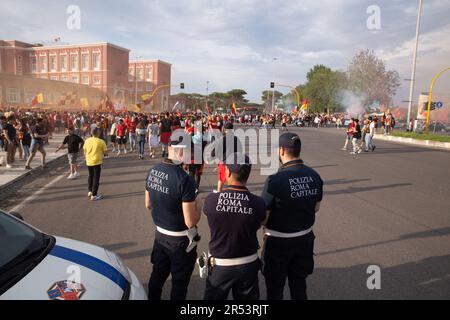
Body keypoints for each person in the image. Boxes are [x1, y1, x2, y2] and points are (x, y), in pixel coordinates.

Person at [261, 132, 323, 300]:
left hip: (278, 243)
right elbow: (316, 207)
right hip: (304, 240)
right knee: (299, 287)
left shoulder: (275, 180)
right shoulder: (314, 175)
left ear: (281, 150)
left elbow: (263, 217)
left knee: (274, 290)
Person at [202, 153, 266, 300]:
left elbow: (209, 216)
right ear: (248, 175)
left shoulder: (211, 201)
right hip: (248, 266)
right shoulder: (258, 203)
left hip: (219, 267)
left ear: (228, 172)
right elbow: (263, 221)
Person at [145, 135, 201, 300]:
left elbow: (148, 204)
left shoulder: (153, 170)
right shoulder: (185, 179)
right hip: (180, 241)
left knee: (157, 277)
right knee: (179, 283)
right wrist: (199, 205)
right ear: (183, 152)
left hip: (160, 236)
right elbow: (190, 221)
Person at [83, 128, 108, 201]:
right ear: (98, 133)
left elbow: (84, 151)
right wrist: (105, 154)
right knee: (96, 178)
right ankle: (94, 195)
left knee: (90, 176)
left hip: (89, 161)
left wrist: (86, 157)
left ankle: (90, 191)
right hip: (97, 161)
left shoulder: (87, 140)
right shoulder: (101, 141)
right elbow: (105, 153)